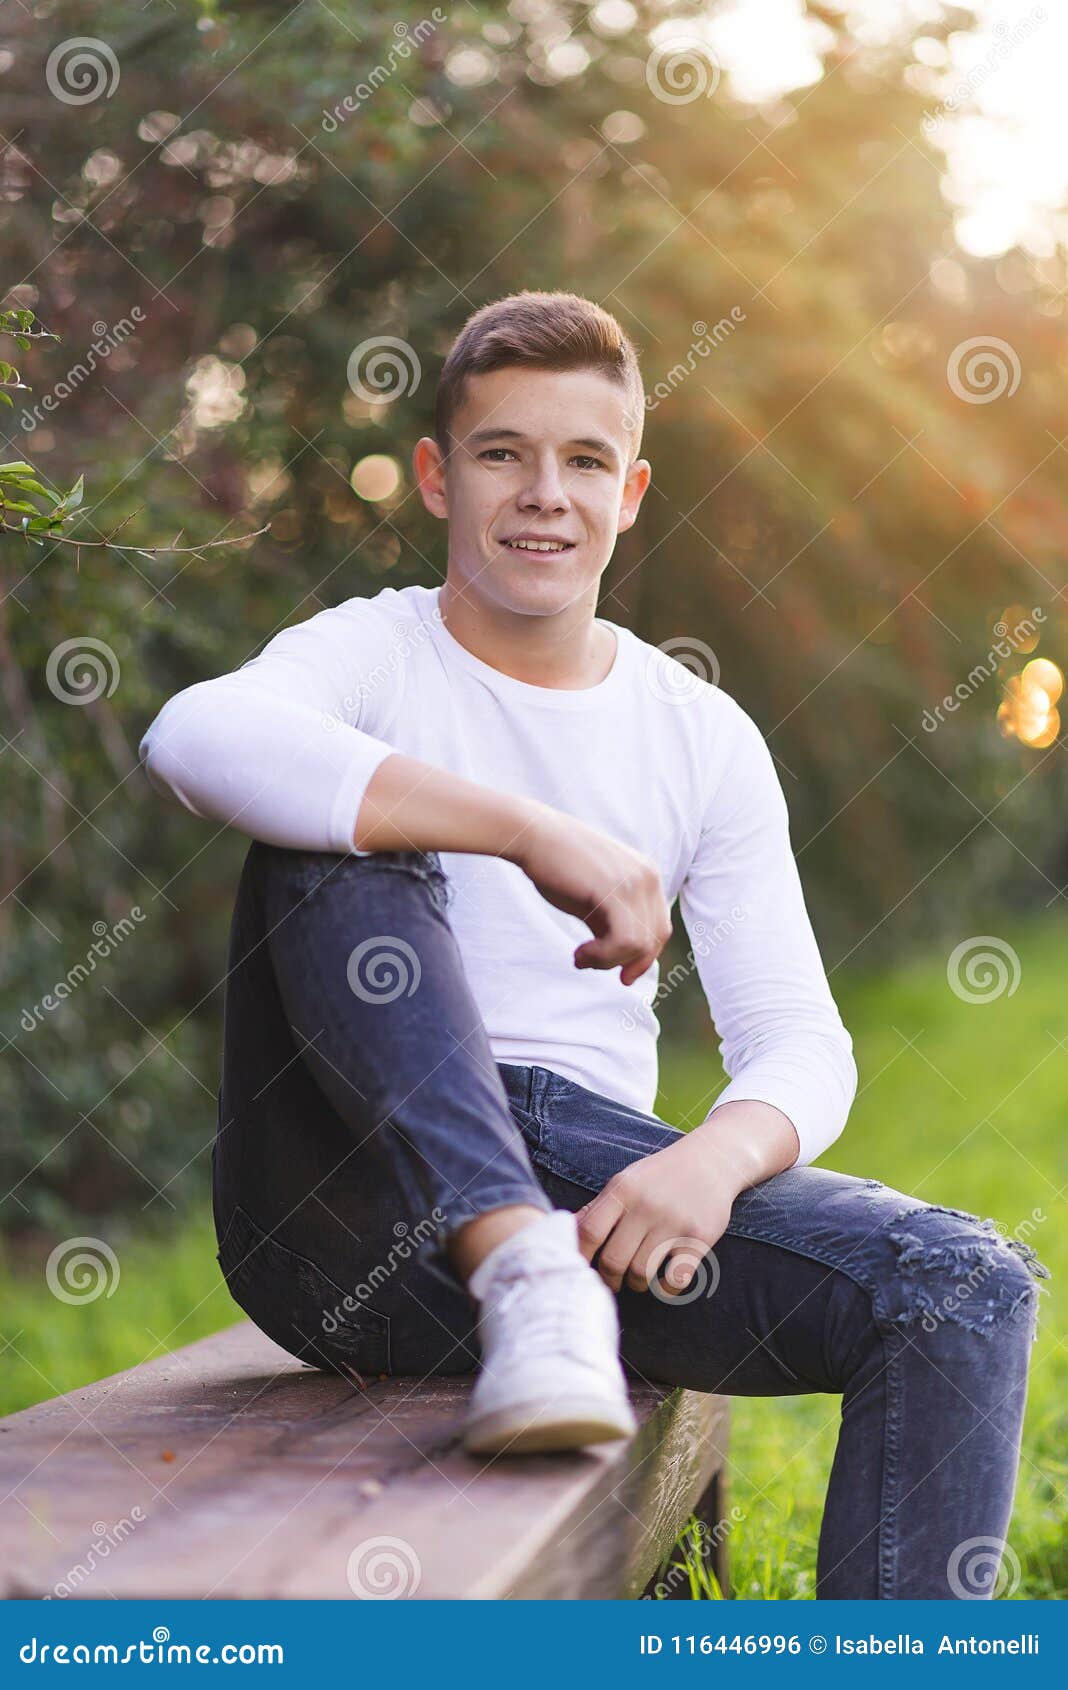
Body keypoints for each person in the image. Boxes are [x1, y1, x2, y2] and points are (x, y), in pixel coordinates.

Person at [139, 290, 1046, 1598]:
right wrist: (524, 831)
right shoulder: (368, 654)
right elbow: (194, 739)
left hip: (597, 1218)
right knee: (337, 814)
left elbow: (800, 1040)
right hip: (332, 1215)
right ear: (442, 477)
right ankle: (512, 1258)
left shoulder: (699, 735)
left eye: (583, 462)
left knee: (966, 1284)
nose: (542, 494)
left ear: (630, 492)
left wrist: (712, 1165)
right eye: (504, 453)